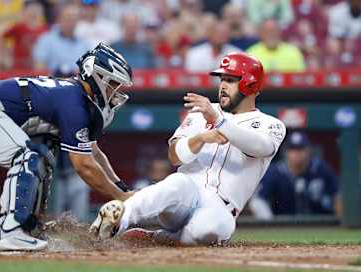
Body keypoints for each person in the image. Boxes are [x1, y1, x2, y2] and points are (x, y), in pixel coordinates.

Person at [90, 53, 286, 246]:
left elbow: (260, 147)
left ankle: (158, 238)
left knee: (207, 231)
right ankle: (117, 221)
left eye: (231, 80)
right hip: (186, 194)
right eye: (222, 80)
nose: (223, 86)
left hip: (221, 208)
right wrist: (200, 138)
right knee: (177, 182)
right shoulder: (203, 111)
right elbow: (175, 157)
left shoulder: (271, 124)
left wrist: (218, 121)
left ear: (250, 85)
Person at [0, 43, 134, 251]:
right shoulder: (74, 103)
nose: (115, 92)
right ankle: (10, 231)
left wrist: (123, 188)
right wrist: (119, 197)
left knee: (41, 158)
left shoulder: (75, 98)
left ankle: (30, 229)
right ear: (96, 77)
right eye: (113, 84)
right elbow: (84, 166)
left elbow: (93, 152)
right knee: (27, 156)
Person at [250, 131, 338, 219]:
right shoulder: (275, 172)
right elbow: (258, 200)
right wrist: (270, 223)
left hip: (320, 224)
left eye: (300, 149)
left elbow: (337, 195)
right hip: (284, 225)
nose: (297, 154)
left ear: (309, 150)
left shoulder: (321, 168)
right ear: (286, 152)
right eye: (292, 149)